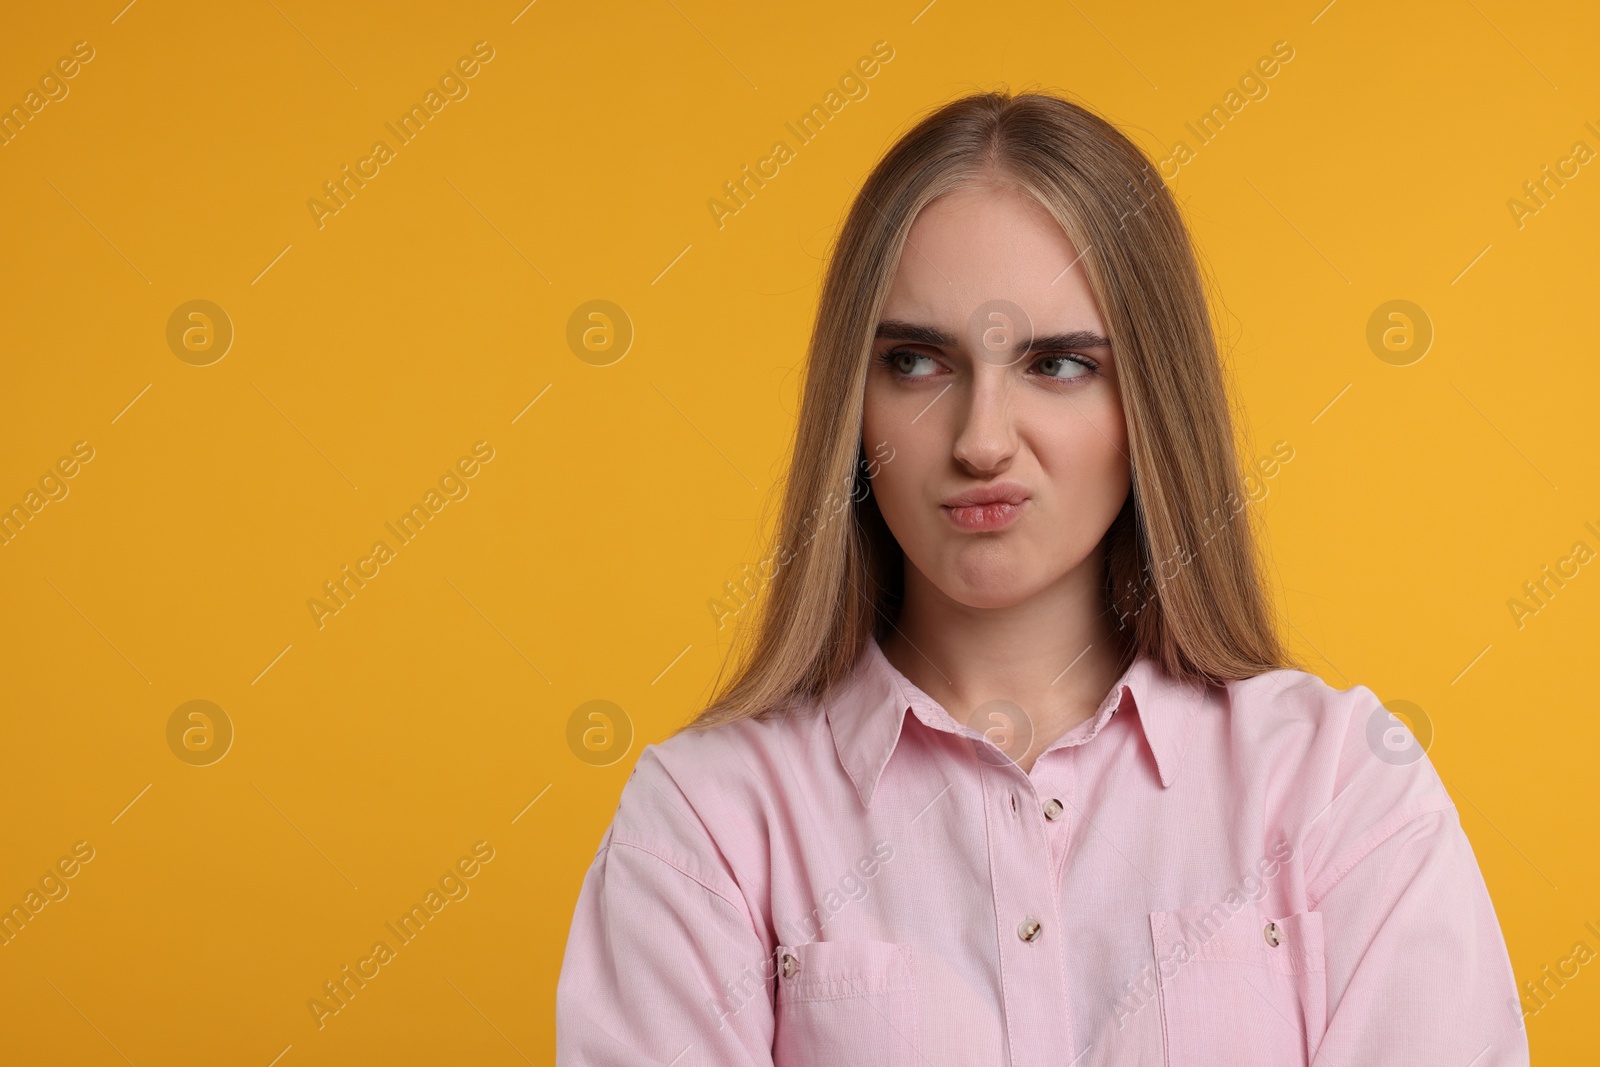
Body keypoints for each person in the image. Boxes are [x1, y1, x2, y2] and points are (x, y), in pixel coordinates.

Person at [555, 89, 1529, 1066]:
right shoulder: (704, 822)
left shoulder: (1334, 786)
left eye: (1056, 363)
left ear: (1150, 396)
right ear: (850, 400)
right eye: (914, 361)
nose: (981, 441)